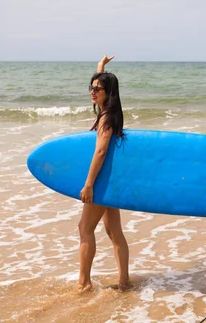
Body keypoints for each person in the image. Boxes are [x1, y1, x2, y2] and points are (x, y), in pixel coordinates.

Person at [76, 55, 130, 293]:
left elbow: (100, 152)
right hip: (112, 181)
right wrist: (101, 68)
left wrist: (89, 185)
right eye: (91, 87)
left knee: (85, 229)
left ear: (108, 93)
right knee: (113, 231)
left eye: (97, 89)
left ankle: (84, 283)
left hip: (100, 182)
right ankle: (124, 281)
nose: (92, 91)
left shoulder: (106, 117)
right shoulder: (110, 112)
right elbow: (106, 84)